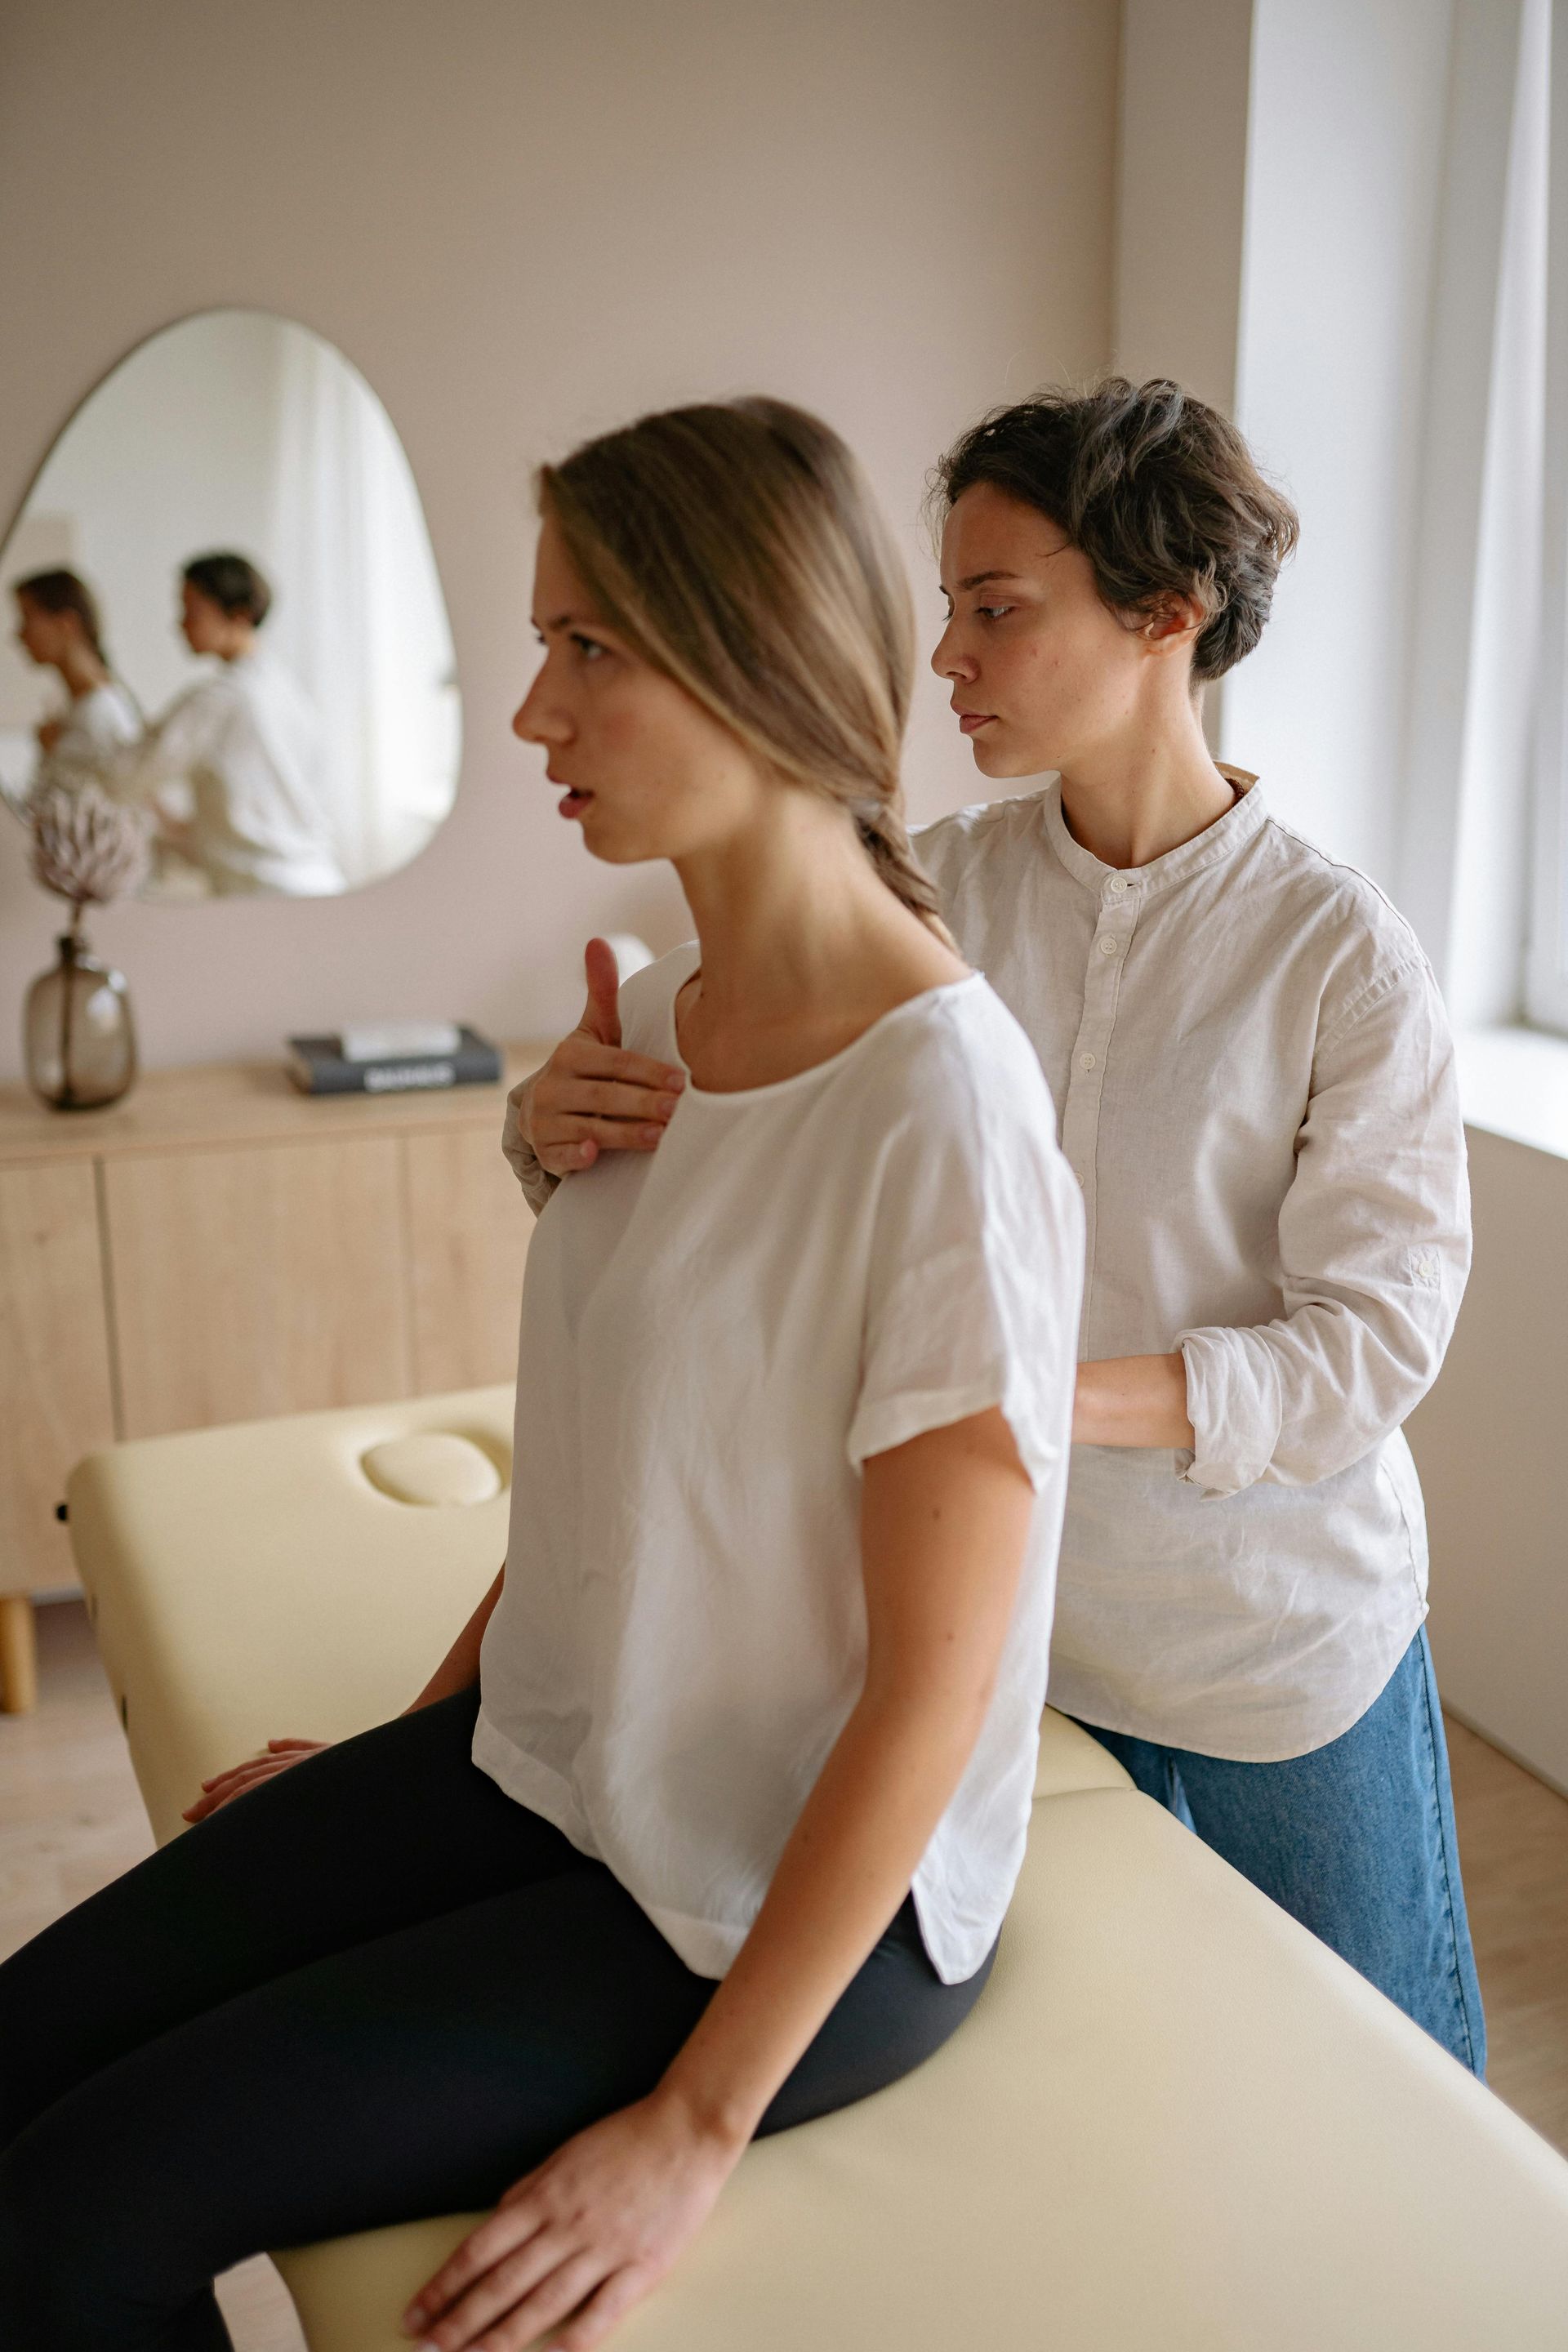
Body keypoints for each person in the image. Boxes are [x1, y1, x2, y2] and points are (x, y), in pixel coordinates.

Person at [0, 399, 1084, 2352]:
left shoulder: (943, 1110)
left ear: (752, 660)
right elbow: (625, 1469)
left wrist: (690, 2124)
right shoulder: (655, 1025)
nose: (531, 713)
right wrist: (414, 1760)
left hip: (773, 1899)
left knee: (63, 2221)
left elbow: (936, 1690)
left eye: (587, 649)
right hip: (568, 1770)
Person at [506, 377, 1485, 2077]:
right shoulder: (930, 890)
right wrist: (541, 1114)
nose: (944, 656)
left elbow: (1369, 1351)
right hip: (1012, 1661)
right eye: (948, 605)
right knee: (1126, 2102)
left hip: (1272, 1654)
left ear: (1165, 616)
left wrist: (1024, 1391)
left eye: (996, 609)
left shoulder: (1342, 959)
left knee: (1398, 2094)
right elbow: (679, 1052)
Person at [127, 550, 345, 895]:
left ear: (239, 615)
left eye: (192, 612)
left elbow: (128, 775)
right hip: (316, 882)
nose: (180, 624)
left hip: (263, 893)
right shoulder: (285, 688)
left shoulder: (222, 698)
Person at [9, 568, 140, 809]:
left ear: (66, 623)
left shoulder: (103, 711)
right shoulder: (74, 708)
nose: (19, 634)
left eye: (28, 618)